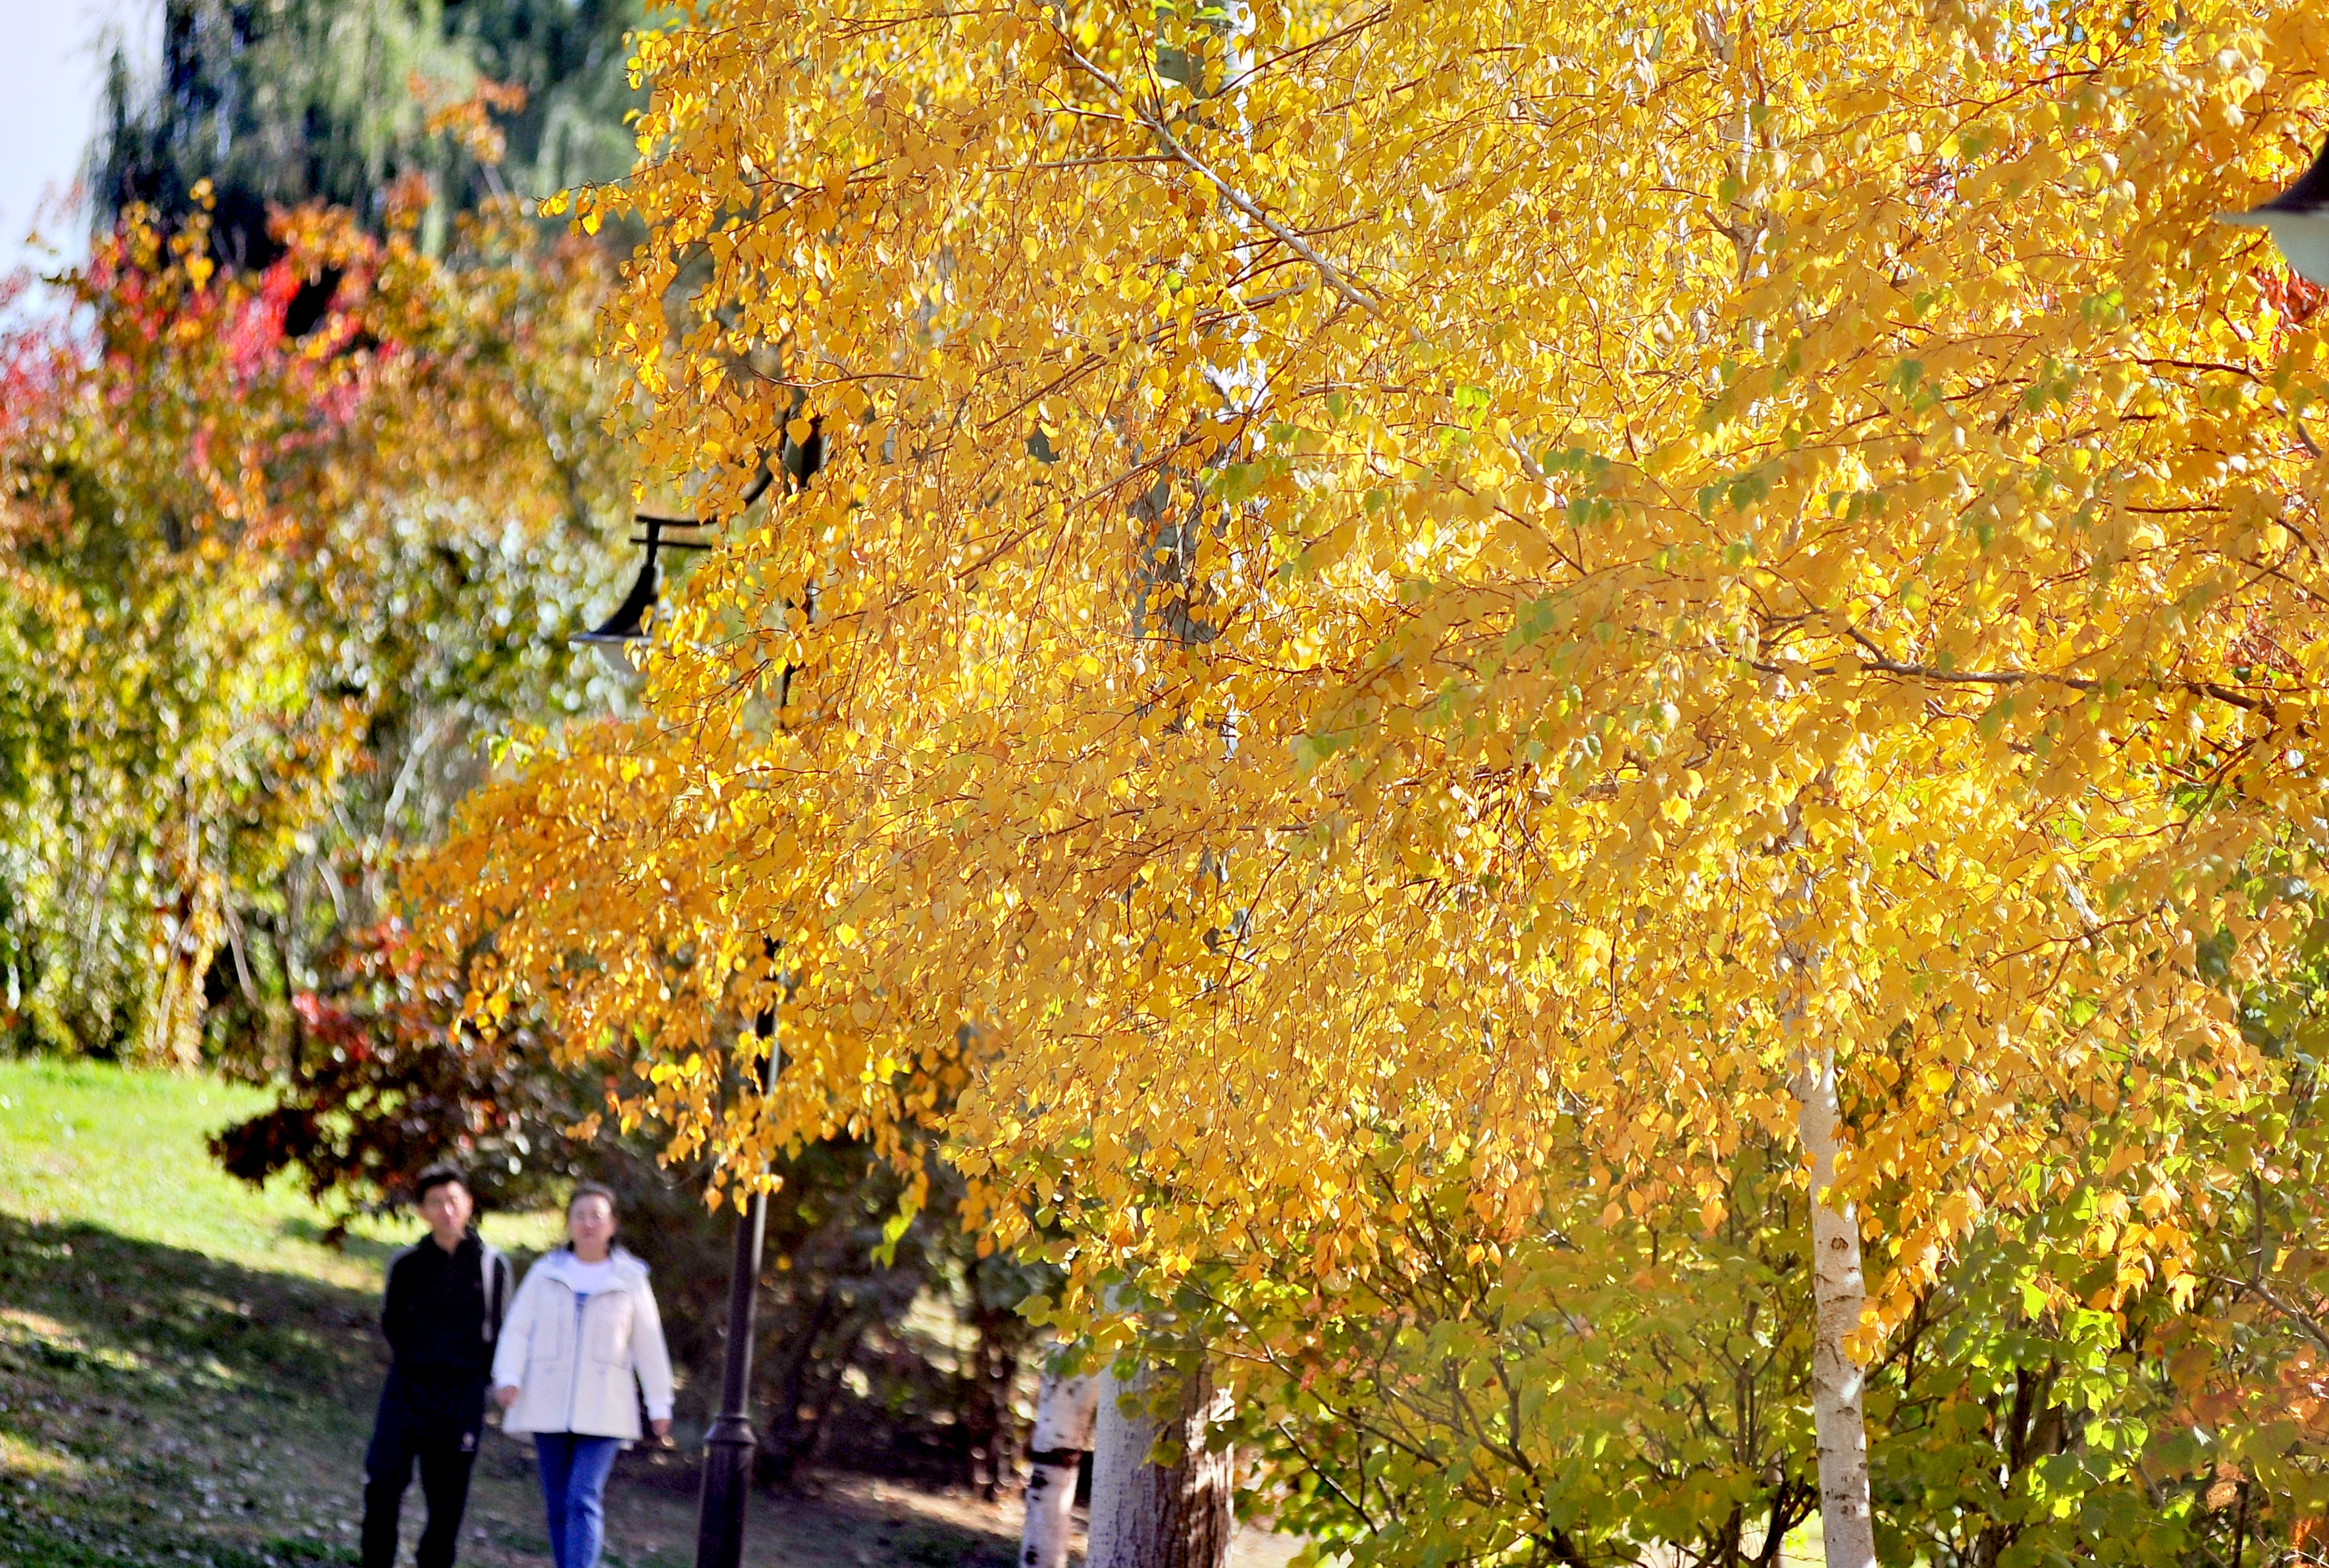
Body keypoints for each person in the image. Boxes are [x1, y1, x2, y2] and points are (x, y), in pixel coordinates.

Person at [490, 1182, 673, 1568]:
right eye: (580, 1215)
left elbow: (648, 1343)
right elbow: (518, 1329)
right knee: (558, 1502)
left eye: (597, 1216)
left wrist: (659, 1402)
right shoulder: (545, 1272)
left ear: (613, 1225)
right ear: (569, 1223)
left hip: (606, 1407)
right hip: (548, 1402)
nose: (589, 1223)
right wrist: (509, 1376)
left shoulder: (630, 1278)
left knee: (582, 1495)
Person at [361, 1163, 513, 1568]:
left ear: (468, 1205)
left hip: (461, 1396)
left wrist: (484, 1378)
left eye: (453, 1201)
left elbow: (500, 1330)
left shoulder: (491, 1265)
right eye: (435, 1203)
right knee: (383, 1482)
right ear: (423, 1210)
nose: (446, 1210)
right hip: (406, 1391)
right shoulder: (407, 1263)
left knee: (447, 1500)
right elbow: (392, 1322)